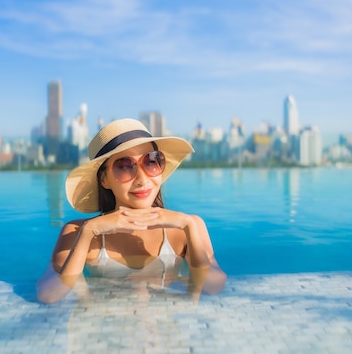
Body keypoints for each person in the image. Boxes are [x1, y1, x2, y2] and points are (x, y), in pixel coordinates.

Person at [36, 118, 227, 303]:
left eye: (151, 161)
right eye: (125, 166)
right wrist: (87, 233)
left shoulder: (187, 227)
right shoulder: (77, 232)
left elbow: (213, 286)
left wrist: (189, 227)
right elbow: (49, 295)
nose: (142, 179)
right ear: (104, 180)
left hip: (161, 331)